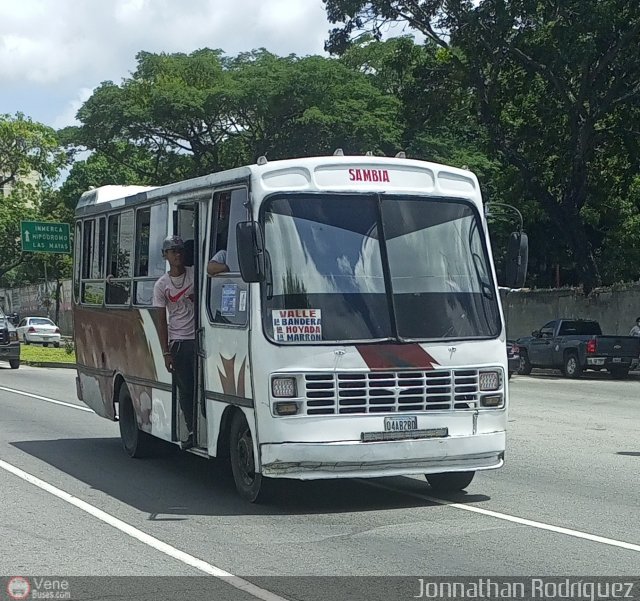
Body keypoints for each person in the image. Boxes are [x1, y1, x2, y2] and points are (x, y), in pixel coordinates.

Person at [153, 235, 195, 449]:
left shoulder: (194, 276)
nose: (177, 254)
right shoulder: (162, 285)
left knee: (201, 388)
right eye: (173, 251)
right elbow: (161, 321)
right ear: (165, 256)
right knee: (185, 390)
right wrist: (166, 352)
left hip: (199, 340)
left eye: (180, 250)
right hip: (178, 342)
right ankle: (191, 430)